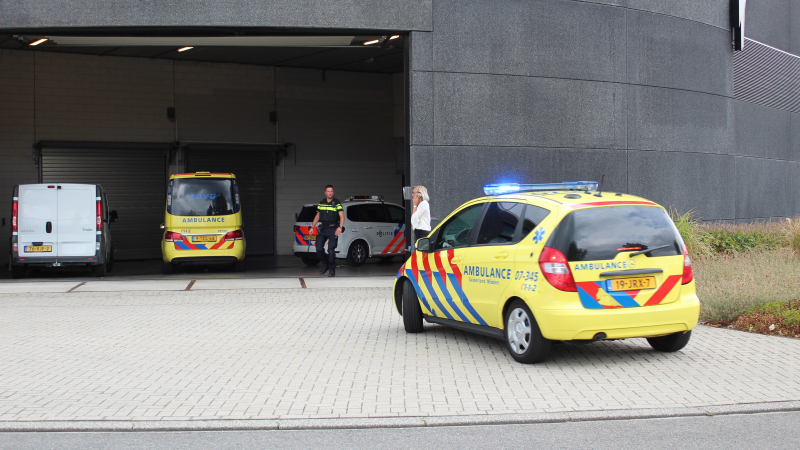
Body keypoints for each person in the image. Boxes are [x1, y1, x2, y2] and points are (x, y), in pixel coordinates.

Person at [310, 185, 345, 277]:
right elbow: (317, 216)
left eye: (331, 191)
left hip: (333, 228)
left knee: (331, 249)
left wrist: (340, 227)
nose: (330, 193)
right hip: (323, 229)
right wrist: (312, 227)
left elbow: (342, 216)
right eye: (328, 191)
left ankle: (332, 269)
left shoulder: (336, 202)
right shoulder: (322, 202)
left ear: (333, 192)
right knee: (319, 248)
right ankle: (325, 263)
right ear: (325, 193)